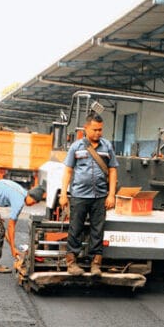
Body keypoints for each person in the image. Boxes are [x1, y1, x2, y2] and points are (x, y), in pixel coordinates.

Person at [60, 113, 118, 276]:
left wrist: (111, 194)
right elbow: (68, 171)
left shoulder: (107, 147)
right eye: (95, 130)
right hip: (79, 195)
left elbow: (113, 171)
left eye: (100, 130)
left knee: (97, 231)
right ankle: (72, 263)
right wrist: (63, 194)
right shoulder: (76, 147)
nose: (98, 133)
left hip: (100, 196)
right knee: (75, 228)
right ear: (86, 128)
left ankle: (96, 265)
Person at [0, 178, 46, 273]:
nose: (32, 204)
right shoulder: (19, 201)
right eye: (33, 201)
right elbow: (11, 226)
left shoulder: (21, 191)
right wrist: (13, 249)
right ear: (30, 195)